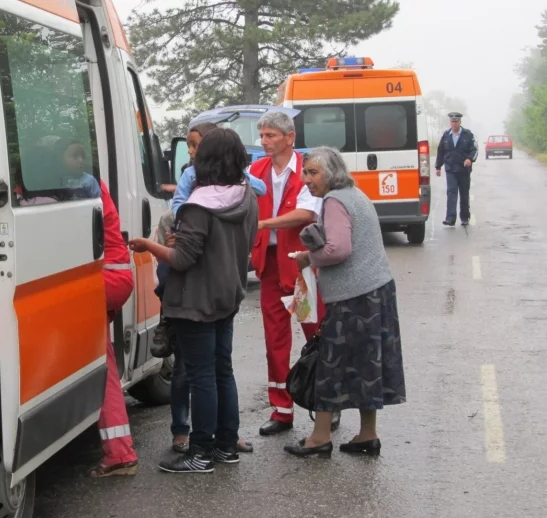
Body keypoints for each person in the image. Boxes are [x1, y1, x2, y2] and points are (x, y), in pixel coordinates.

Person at [129, 128, 258, 473]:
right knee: (222, 371)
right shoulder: (246, 196)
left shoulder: (198, 205)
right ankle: (226, 447)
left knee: (201, 377)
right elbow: (239, 242)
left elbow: (183, 259)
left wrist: (150, 245)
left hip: (195, 300)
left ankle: (200, 452)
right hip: (228, 294)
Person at [286, 146, 406, 457]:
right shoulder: (356, 194)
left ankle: (320, 437)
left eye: (313, 173)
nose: (306, 179)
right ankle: (367, 434)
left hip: (354, 297)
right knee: (369, 364)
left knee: (331, 365)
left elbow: (338, 250)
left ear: (331, 172)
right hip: (377, 291)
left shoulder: (335, 200)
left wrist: (307, 257)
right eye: (305, 172)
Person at [248, 111, 338, 436]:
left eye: (271, 135)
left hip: (299, 265)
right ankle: (281, 410)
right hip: (270, 265)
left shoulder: (307, 170)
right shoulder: (255, 169)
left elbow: (306, 212)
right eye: (262, 136)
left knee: (314, 332)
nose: (264, 142)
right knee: (275, 340)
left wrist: (261, 224)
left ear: (290, 138)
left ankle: (327, 402)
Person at [87, 179, 138, 478]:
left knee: (102, 363)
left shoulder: (73, 184)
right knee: (102, 359)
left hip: (104, 278)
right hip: (117, 275)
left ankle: (120, 453)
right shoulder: (94, 182)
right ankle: (120, 451)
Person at [435, 112, 478, 227]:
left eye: (456, 121)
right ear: (450, 122)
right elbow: (440, 151)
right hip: (450, 169)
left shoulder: (467, 134)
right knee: (451, 193)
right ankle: (450, 218)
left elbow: (474, 150)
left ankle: (464, 218)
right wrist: (438, 167)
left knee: (464, 194)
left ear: (460, 122)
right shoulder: (446, 135)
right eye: (452, 121)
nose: (454, 124)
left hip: (464, 170)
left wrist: (470, 159)